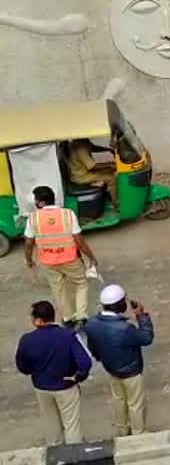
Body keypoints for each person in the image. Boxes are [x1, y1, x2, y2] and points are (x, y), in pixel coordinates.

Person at [15, 301, 92, 445]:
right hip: (66, 386)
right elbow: (85, 362)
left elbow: (23, 367)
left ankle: (56, 454)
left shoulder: (26, 340)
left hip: (42, 388)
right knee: (72, 426)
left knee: (52, 426)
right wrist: (78, 377)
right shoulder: (68, 336)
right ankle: (73, 456)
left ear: (38, 321)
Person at [84, 285, 154, 436]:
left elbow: (92, 347)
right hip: (131, 371)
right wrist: (142, 316)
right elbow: (146, 338)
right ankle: (138, 432)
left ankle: (122, 429)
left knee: (118, 400)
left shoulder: (91, 324)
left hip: (111, 369)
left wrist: (102, 359)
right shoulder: (124, 328)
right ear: (119, 304)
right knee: (135, 404)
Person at [25, 185, 98, 329]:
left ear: (40, 203)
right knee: (81, 283)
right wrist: (91, 257)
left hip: (48, 261)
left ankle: (68, 318)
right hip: (70, 259)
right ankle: (81, 317)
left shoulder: (33, 218)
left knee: (58, 288)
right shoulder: (68, 214)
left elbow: (28, 242)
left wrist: (29, 260)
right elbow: (79, 241)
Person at [67, 139, 118, 205]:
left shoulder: (83, 142)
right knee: (112, 177)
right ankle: (116, 203)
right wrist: (109, 164)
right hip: (81, 176)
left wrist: (109, 150)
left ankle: (110, 195)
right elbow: (93, 166)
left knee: (111, 170)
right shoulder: (80, 149)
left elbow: (94, 148)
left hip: (84, 171)